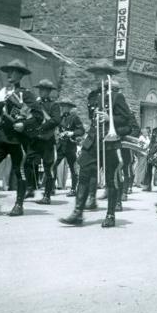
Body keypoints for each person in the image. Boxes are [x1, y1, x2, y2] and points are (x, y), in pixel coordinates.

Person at [59, 59, 134, 227]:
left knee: (110, 179)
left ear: (108, 77)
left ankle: (110, 214)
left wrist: (110, 118)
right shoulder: (92, 96)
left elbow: (128, 124)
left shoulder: (117, 97)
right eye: (95, 74)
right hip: (92, 142)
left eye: (99, 74)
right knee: (84, 175)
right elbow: (93, 121)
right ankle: (78, 213)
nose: (96, 78)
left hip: (110, 143)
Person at [0, 59, 43, 216]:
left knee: (18, 171)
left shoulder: (26, 94)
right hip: (1, 137)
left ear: (20, 75)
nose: (9, 74)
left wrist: (24, 125)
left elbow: (38, 116)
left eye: (13, 72)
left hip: (17, 139)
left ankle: (19, 205)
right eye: (8, 71)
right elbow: (2, 114)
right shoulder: (2, 92)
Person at [25, 79, 61, 205]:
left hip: (47, 140)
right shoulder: (35, 104)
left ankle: (47, 195)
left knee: (48, 168)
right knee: (28, 162)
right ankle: (30, 187)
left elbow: (56, 121)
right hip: (35, 139)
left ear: (49, 92)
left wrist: (42, 127)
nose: (41, 92)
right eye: (40, 89)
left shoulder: (54, 105)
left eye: (44, 90)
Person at [54, 99, 85, 196]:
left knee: (73, 168)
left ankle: (74, 189)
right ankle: (50, 188)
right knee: (53, 166)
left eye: (65, 106)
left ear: (70, 108)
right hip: (60, 146)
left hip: (70, 146)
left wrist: (72, 133)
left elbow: (81, 130)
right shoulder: (59, 117)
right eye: (62, 106)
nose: (63, 108)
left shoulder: (74, 118)